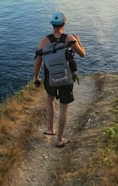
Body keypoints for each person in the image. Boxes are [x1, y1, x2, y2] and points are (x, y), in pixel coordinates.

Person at [32, 11, 86, 148]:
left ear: (52, 25)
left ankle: (50, 129)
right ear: (64, 24)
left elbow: (38, 62)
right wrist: (78, 41)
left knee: (50, 99)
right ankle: (60, 139)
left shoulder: (44, 41)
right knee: (64, 106)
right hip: (66, 77)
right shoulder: (69, 38)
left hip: (50, 76)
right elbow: (82, 54)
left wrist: (36, 77)